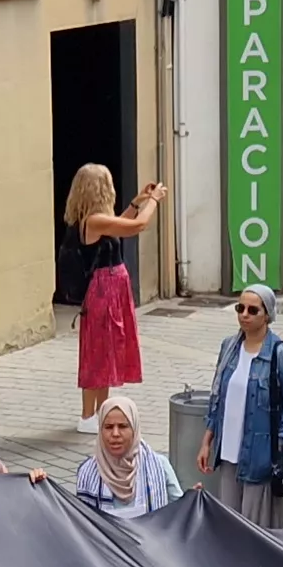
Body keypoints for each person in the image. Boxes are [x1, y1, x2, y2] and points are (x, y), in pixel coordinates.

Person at [64, 164, 165, 427]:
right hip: (103, 291)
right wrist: (153, 201)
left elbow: (123, 223)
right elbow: (137, 226)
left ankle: (99, 412)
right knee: (97, 352)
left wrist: (137, 202)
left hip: (110, 288)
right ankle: (88, 416)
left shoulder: (94, 220)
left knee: (106, 351)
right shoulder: (93, 221)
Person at [196, 288, 283, 528]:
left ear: (267, 315)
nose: (244, 314)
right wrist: (207, 442)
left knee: (256, 530)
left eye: (252, 310)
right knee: (229, 527)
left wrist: (278, 452)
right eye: (240, 308)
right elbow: (217, 400)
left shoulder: (281, 354)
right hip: (228, 455)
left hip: (261, 459)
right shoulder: (229, 348)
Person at [68, 400, 187, 517]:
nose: (115, 434)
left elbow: (181, 511)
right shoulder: (88, 472)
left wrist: (195, 501)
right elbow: (82, 522)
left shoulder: (160, 465)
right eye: (108, 427)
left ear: (134, 429)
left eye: (123, 426)